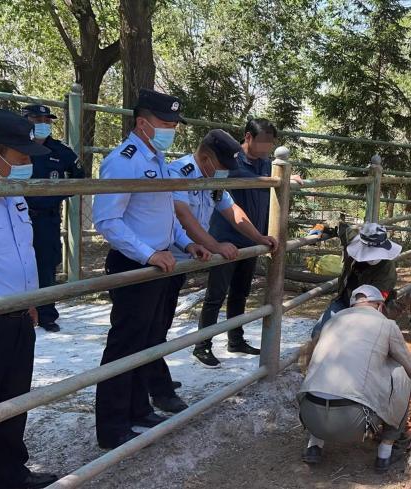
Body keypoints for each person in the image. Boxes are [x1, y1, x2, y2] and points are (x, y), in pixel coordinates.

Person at [92, 88, 210, 449]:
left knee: (147, 341)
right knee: (125, 344)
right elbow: (107, 220)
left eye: (174, 123)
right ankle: (112, 425)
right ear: (142, 123)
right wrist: (147, 254)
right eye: (165, 122)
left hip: (159, 262)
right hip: (135, 264)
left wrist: (185, 243)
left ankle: (138, 408)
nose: (171, 128)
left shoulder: (158, 159)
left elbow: (163, 216)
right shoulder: (122, 161)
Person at [148, 129, 278, 412]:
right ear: (206, 158)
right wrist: (215, 244)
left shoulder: (212, 178)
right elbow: (183, 215)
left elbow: (233, 211)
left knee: (159, 325)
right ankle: (155, 386)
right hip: (158, 259)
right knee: (150, 326)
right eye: (222, 166)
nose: (225, 172)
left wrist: (259, 237)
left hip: (178, 262)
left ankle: (153, 380)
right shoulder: (180, 173)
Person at [0, 107, 58, 489]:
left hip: (19, 317)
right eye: (21, 157)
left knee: (12, 403)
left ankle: (7, 474)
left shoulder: (12, 194)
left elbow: (22, 252)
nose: (29, 164)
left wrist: (31, 300)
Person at [298, 285, 411, 472]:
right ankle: (385, 453)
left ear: (353, 305)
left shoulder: (332, 321)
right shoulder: (387, 325)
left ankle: (314, 445)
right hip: (354, 422)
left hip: (310, 417)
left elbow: (309, 360)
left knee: (322, 369)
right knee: (402, 373)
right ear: (380, 306)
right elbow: (410, 365)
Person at [193, 118, 283, 365]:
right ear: (248, 137)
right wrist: (274, 180)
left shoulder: (265, 163)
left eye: (271, 142)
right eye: (263, 141)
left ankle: (236, 339)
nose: (267, 147)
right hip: (226, 237)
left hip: (253, 237)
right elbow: (228, 183)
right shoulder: (231, 160)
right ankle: (202, 345)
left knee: (240, 292)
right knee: (216, 293)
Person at [22, 104, 85, 333]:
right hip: (15, 217)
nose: (43, 124)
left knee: (46, 266)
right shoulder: (13, 147)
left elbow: (79, 177)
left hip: (46, 219)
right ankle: (14, 311)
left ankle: (47, 314)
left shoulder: (59, 151)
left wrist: (56, 194)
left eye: (47, 120)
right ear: (25, 120)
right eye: (36, 119)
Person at [309, 221, 401, 338]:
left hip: (367, 310)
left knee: (351, 338)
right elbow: (342, 228)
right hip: (344, 299)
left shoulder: (387, 272)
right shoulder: (354, 239)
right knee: (318, 333)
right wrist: (323, 227)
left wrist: (351, 321)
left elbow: (372, 304)